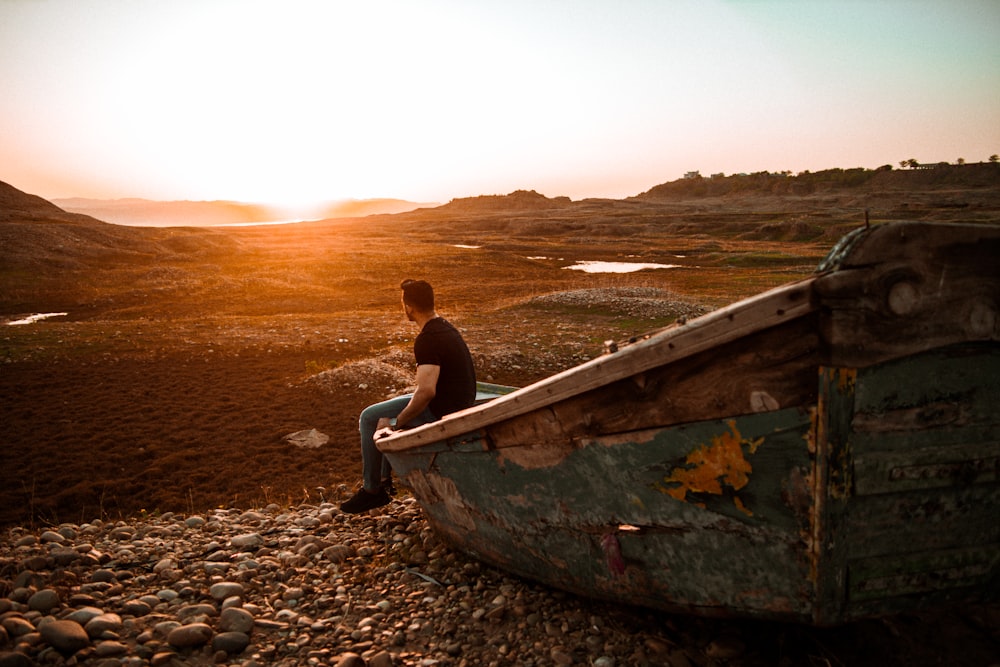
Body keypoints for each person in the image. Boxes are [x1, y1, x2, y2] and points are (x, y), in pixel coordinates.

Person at [340, 279, 477, 514]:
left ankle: (373, 491)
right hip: (458, 401)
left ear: (409, 307)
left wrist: (397, 422)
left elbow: (426, 392)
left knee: (370, 418)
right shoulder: (445, 327)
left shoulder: (427, 339)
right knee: (380, 413)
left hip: (442, 409)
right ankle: (384, 482)